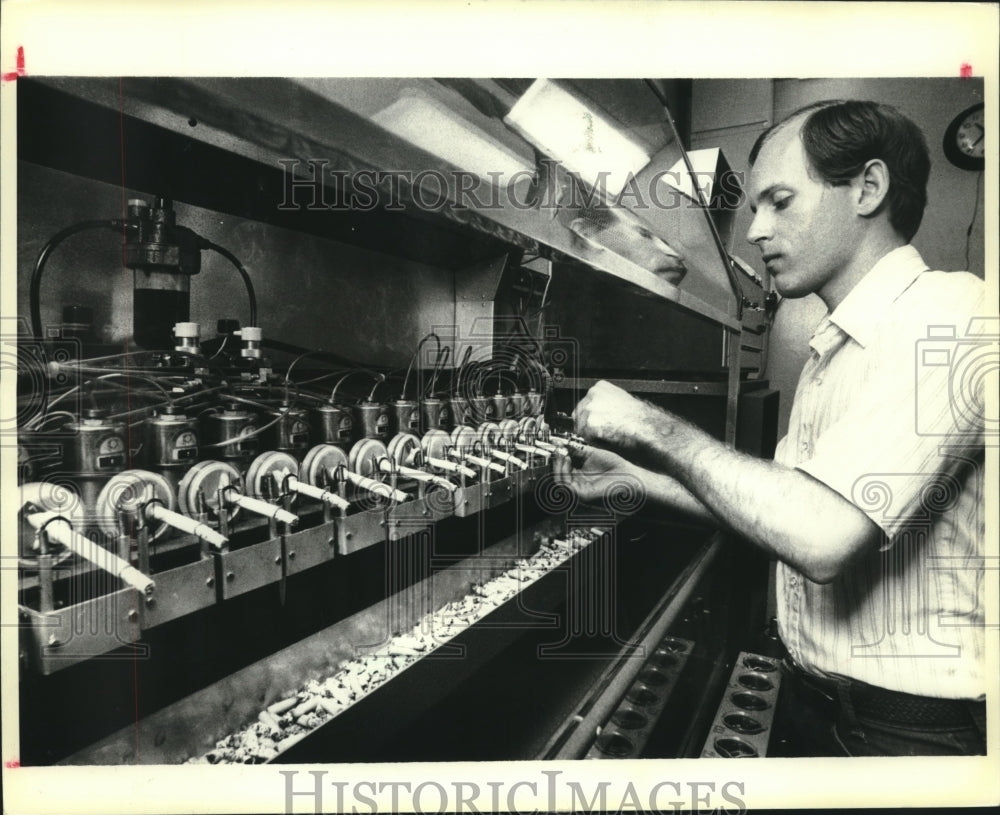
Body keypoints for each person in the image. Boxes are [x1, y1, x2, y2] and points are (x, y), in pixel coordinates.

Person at [554, 99, 989, 756]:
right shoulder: (835, 346)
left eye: (780, 201)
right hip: (817, 698)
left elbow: (820, 535)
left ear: (868, 188)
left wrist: (648, 425)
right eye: (754, 206)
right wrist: (636, 478)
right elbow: (777, 506)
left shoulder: (949, 316)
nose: (756, 230)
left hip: (903, 732)